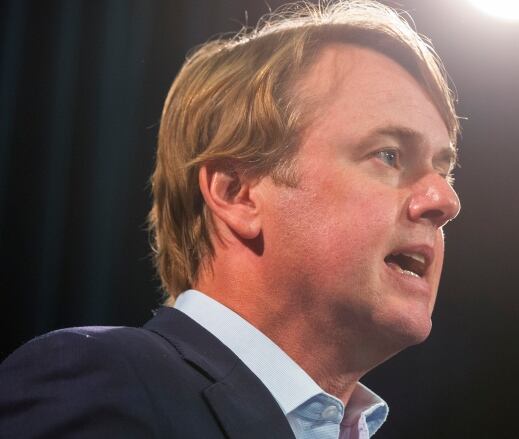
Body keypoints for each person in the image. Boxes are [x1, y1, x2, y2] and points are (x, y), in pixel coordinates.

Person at [0, 1, 460, 437]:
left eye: (443, 170)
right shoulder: (99, 382)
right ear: (237, 194)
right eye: (389, 155)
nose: (445, 199)